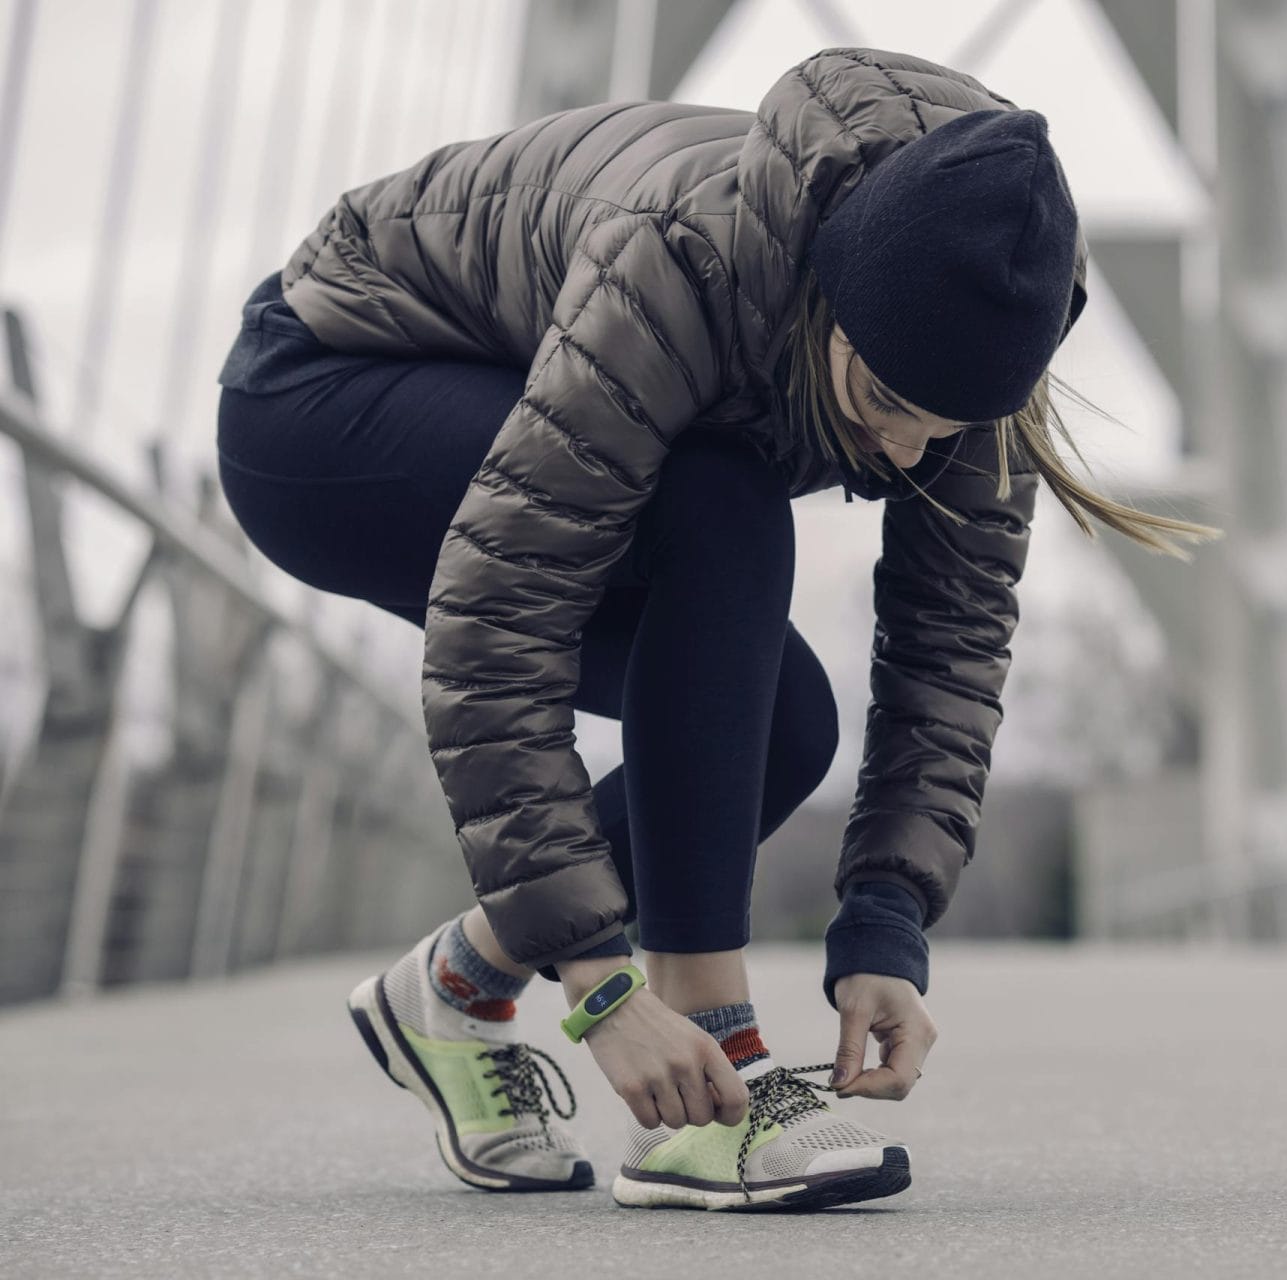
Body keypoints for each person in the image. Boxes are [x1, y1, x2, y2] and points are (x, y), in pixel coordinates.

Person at [212, 45, 1219, 1211]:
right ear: (830, 301)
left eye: (943, 428)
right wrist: (599, 983)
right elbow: (500, 627)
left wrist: (887, 922)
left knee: (780, 725)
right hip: (323, 395)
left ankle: (454, 984)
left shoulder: (988, 324)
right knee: (721, 498)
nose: (905, 452)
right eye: (886, 403)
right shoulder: (681, 263)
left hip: (513, 423)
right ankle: (715, 1067)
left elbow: (950, 648)